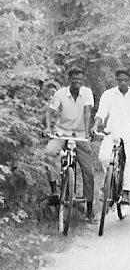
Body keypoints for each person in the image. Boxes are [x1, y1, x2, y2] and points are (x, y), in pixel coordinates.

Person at [44, 66, 96, 223]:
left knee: (89, 172)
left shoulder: (87, 93)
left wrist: (86, 133)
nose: (77, 81)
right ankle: (54, 190)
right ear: (70, 80)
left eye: (80, 78)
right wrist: (48, 127)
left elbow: (87, 112)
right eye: (74, 79)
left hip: (80, 135)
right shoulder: (60, 94)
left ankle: (89, 209)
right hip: (62, 132)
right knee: (48, 154)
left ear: (83, 80)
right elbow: (49, 112)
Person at [91, 69, 130, 205]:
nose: (122, 82)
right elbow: (101, 113)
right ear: (116, 80)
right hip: (112, 134)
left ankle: (126, 192)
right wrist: (95, 126)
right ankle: (110, 184)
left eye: (125, 80)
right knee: (104, 157)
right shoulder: (109, 94)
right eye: (119, 80)